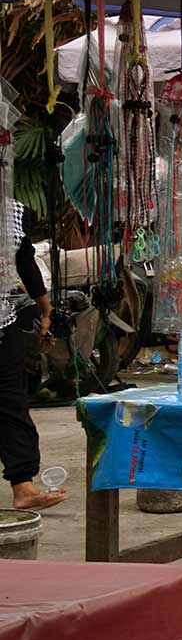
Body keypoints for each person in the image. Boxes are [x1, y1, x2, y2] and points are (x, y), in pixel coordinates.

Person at [0, 200, 63, 511]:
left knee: (11, 402)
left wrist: (45, 308)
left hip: (2, 322)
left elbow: (24, 260)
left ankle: (23, 486)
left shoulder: (13, 212)